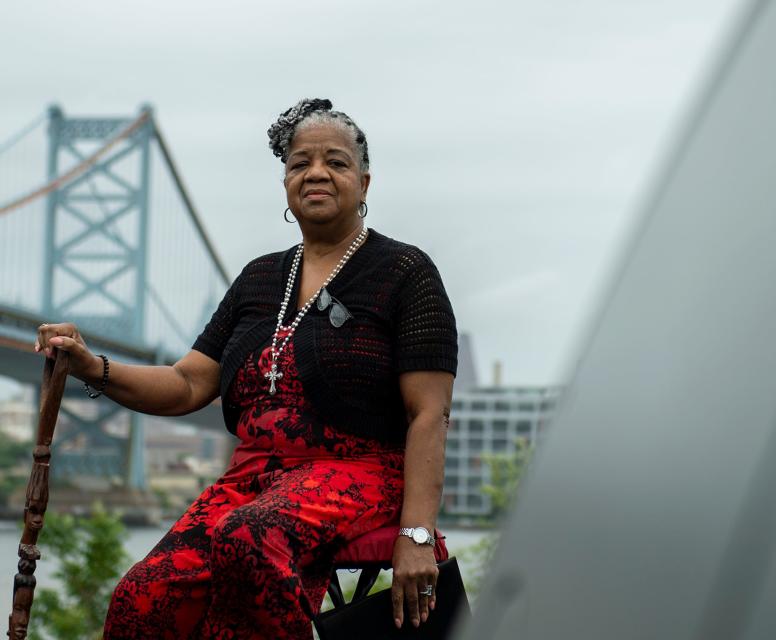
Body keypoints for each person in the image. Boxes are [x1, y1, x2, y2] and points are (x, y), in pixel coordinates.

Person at [35, 98, 458, 640]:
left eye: (336, 161)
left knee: (248, 534)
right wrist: (92, 366)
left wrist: (417, 533)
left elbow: (429, 412)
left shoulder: (406, 272)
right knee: (144, 595)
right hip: (253, 480)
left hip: (360, 471)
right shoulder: (260, 279)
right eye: (299, 163)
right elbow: (188, 383)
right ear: (285, 183)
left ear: (365, 182)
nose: (316, 173)